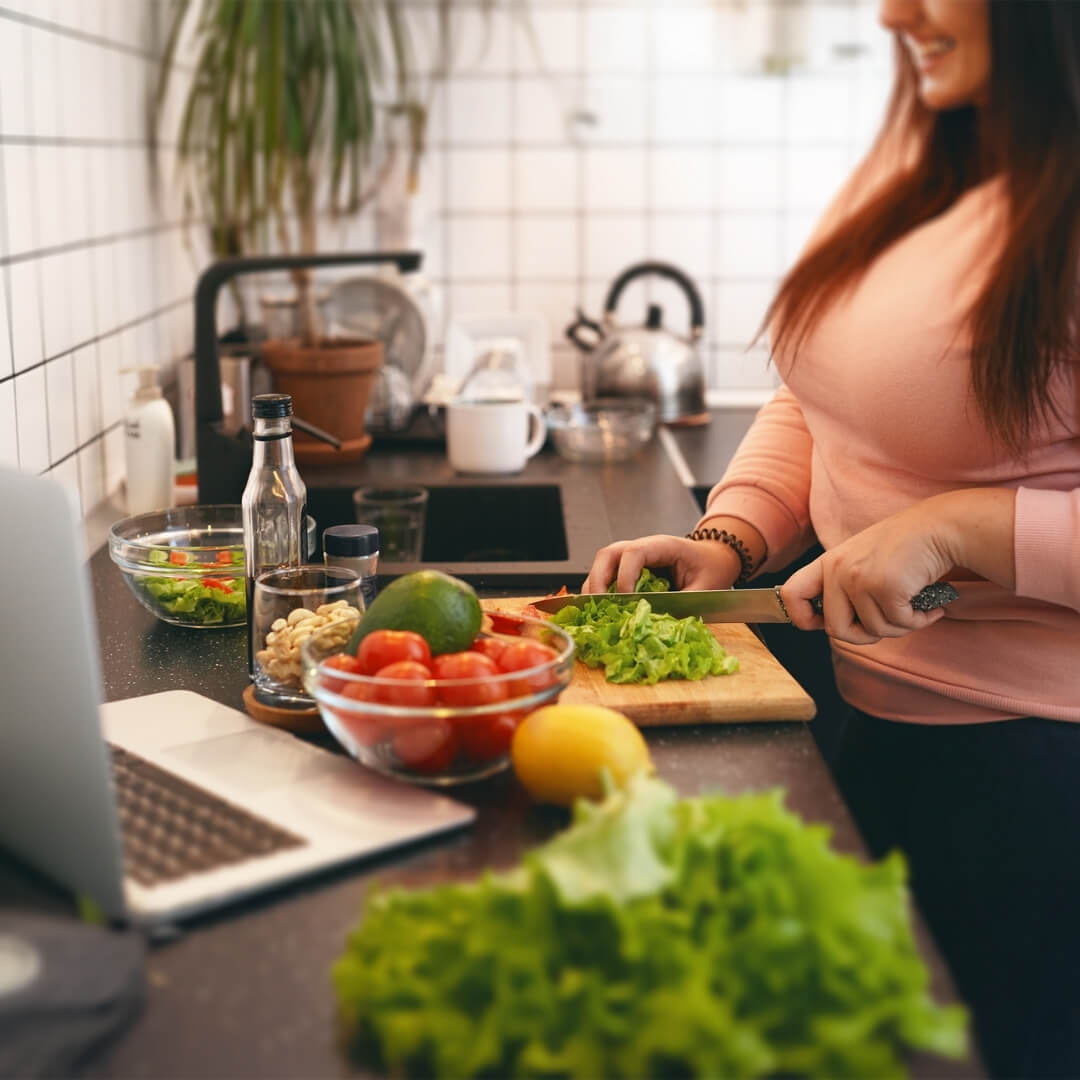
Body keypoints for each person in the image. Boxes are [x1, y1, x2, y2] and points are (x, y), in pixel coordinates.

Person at [582, 2, 1080, 1076]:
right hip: (869, 725)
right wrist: (735, 531)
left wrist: (968, 528)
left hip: (1036, 779)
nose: (894, 11)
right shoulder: (935, 150)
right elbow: (820, 396)